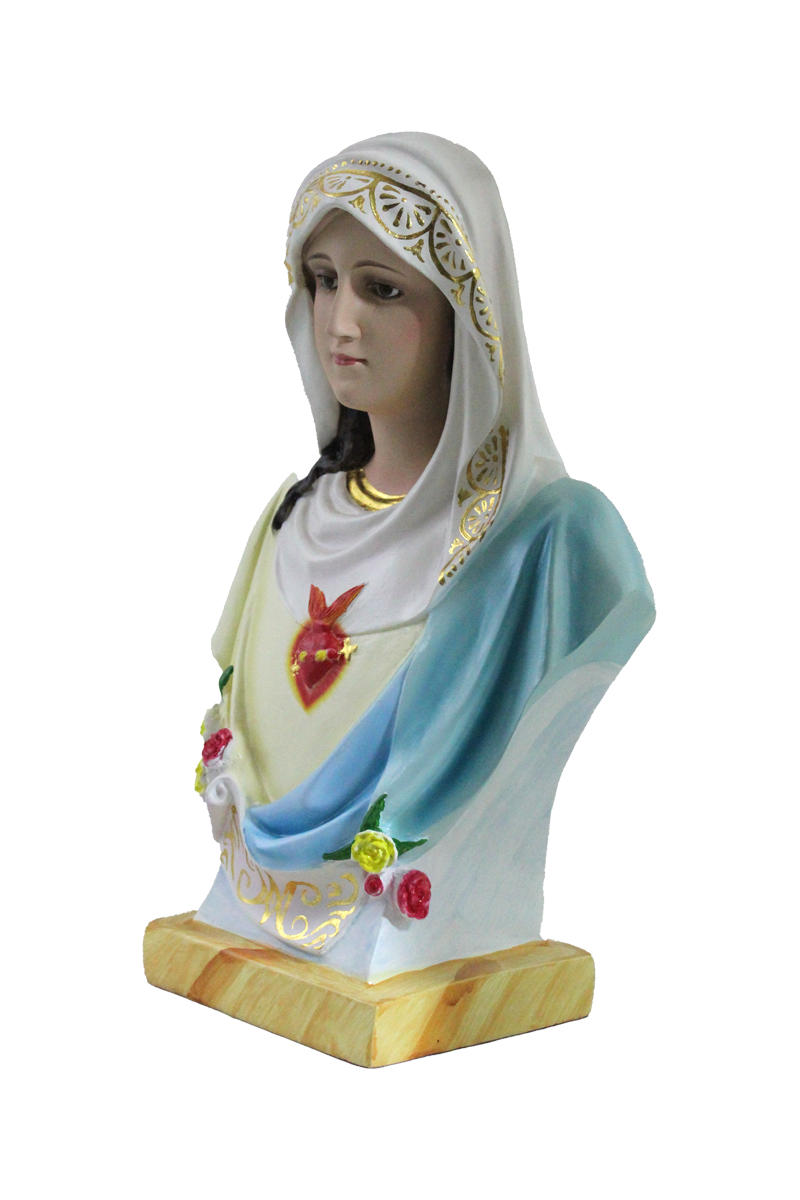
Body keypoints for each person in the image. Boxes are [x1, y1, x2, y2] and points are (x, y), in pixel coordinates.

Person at [194, 133, 655, 983]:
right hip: (256, 930)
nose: (340, 322)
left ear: (466, 314)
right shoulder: (289, 525)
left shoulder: (551, 543)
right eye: (324, 280)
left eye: (381, 289)